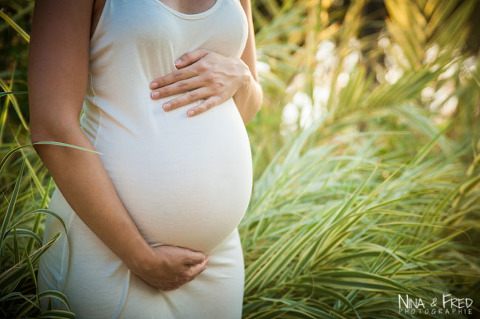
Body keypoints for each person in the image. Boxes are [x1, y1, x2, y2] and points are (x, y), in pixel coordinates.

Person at [28, 0, 262, 317]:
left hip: (216, 259)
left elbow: (245, 108)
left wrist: (243, 77)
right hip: (109, 252)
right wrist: (141, 258)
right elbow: (52, 128)